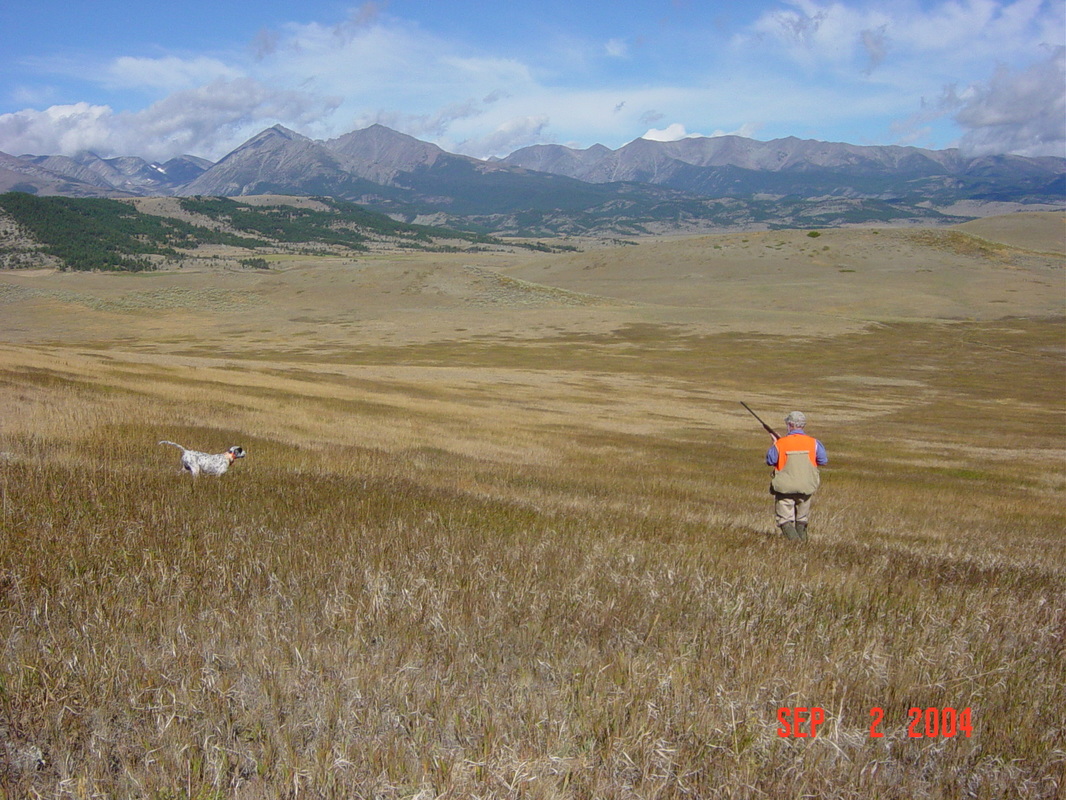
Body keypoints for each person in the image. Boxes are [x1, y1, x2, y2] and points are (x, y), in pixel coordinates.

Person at [765, 411, 827, 541]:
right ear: (802, 425)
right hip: (806, 486)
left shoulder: (781, 444)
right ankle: (804, 545)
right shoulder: (814, 443)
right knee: (802, 519)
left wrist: (775, 443)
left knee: (784, 520)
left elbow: (770, 460)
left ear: (790, 425)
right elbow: (823, 460)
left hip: (785, 488)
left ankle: (796, 546)